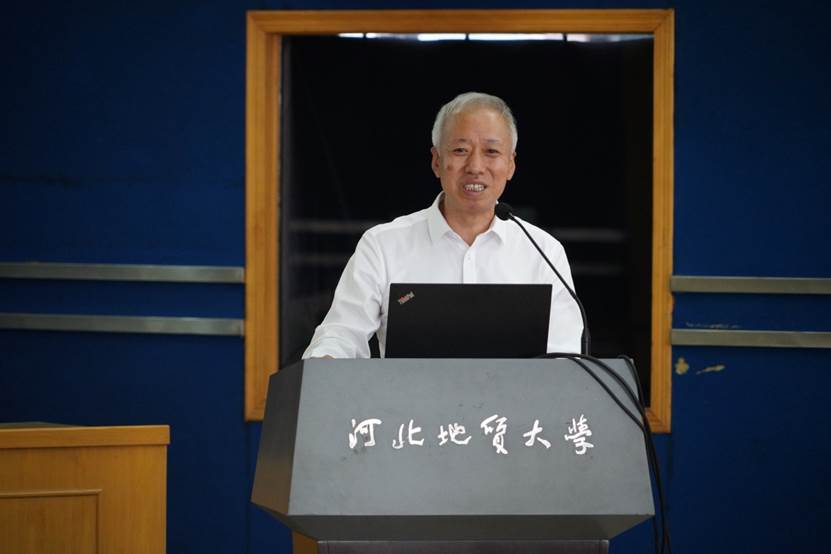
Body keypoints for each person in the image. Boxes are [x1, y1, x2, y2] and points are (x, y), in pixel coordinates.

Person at [302, 92, 582, 359]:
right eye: (460, 150)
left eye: (491, 151)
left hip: (515, 396)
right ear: (437, 161)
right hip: (408, 396)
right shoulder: (383, 245)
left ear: (510, 165)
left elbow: (565, 355)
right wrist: (327, 357)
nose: (475, 166)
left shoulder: (543, 252)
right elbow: (342, 333)